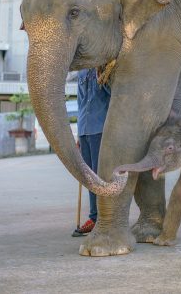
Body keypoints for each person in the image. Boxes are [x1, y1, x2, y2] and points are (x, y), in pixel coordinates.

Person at [72, 68, 111, 236]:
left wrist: (101, 78)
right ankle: (94, 218)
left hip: (99, 129)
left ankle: (101, 218)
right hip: (84, 129)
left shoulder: (104, 69)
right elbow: (80, 103)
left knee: (98, 175)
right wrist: (79, 134)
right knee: (88, 176)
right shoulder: (81, 74)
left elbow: (112, 96)